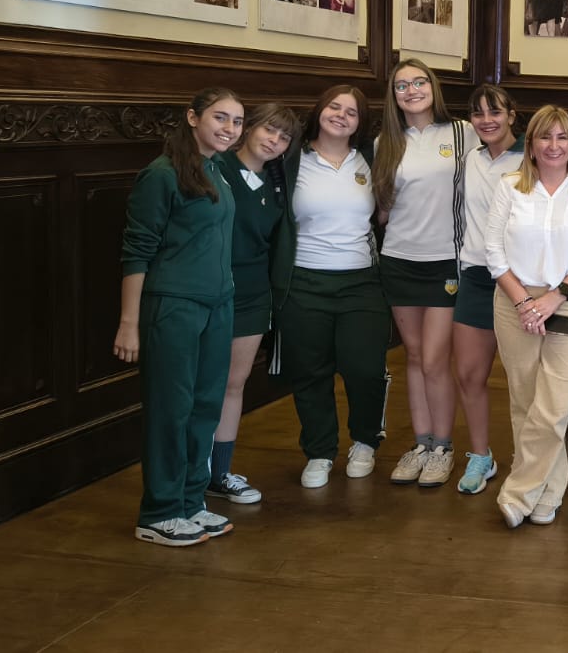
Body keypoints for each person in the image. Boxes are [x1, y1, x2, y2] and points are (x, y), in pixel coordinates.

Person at [115, 88, 243, 546]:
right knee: (171, 410)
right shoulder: (161, 174)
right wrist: (129, 323)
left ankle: (190, 502)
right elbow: (137, 250)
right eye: (220, 117)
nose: (230, 128)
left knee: (205, 407)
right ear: (193, 117)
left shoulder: (217, 169)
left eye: (237, 121)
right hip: (173, 307)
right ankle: (160, 512)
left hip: (218, 305)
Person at [487, 105, 568, 527]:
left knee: (557, 404)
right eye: (545, 136)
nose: (553, 145)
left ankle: (517, 492)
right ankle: (547, 492)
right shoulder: (509, 187)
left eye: (562, 137)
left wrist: (556, 297)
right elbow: (493, 251)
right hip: (514, 303)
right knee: (525, 401)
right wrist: (525, 302)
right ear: (531, 144)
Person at [272, 86, 390, 489]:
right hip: (303, 280)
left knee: (365, 369)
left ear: (360, 122)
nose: (341, 115)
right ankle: (319, 452)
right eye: (334, 107)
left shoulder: (370, 157)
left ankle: (365, 441)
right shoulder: (291, 158)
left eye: (351, 112)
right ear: (319, 110)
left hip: (361, 281)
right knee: (310, 372)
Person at [373, 59, 470, 489]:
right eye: (401, 85)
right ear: (393, 96)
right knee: (413, 357)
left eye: (419, 82)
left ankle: (443, 448)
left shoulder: (462, 132)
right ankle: (422, 445)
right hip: (398, 258)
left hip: (445, 260)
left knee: (434, 359)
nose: (411, 90)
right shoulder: (385, 142)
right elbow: (383, 208)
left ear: (433, 87)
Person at [209, 103, 300, 507]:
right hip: (209, 289)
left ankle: (219, 473)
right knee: (203, 383)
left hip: (253, 293)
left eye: (283, 137)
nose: (273, 141)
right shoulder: (217, 168)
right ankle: (190, 474)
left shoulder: (278, 181)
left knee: (234, 383)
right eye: (268, 130)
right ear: (249, 128)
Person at [450, 85, 524, 494]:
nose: (486, 120)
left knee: (525, 380)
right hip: (477, 276)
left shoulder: (532, 158)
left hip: (522, 282)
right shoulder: (470, 160)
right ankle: (481, 456)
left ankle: (530, 460)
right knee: (468, 373)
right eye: (478, 113)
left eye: (495, 111)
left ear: (511, 115)